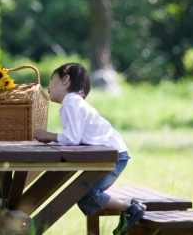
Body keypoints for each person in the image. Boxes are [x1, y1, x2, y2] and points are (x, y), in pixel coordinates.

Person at [33, 63, 146, 235]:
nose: (48, 86)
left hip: (113, 157)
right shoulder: (73, 102)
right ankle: (130, 207)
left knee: (84, 193)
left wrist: (48, 135)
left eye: (51, 79)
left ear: (65, 79)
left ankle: (130, 207)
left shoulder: (71, 102)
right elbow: (75, 139)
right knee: (82, 192)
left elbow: (71, 139)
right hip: (112, 155)